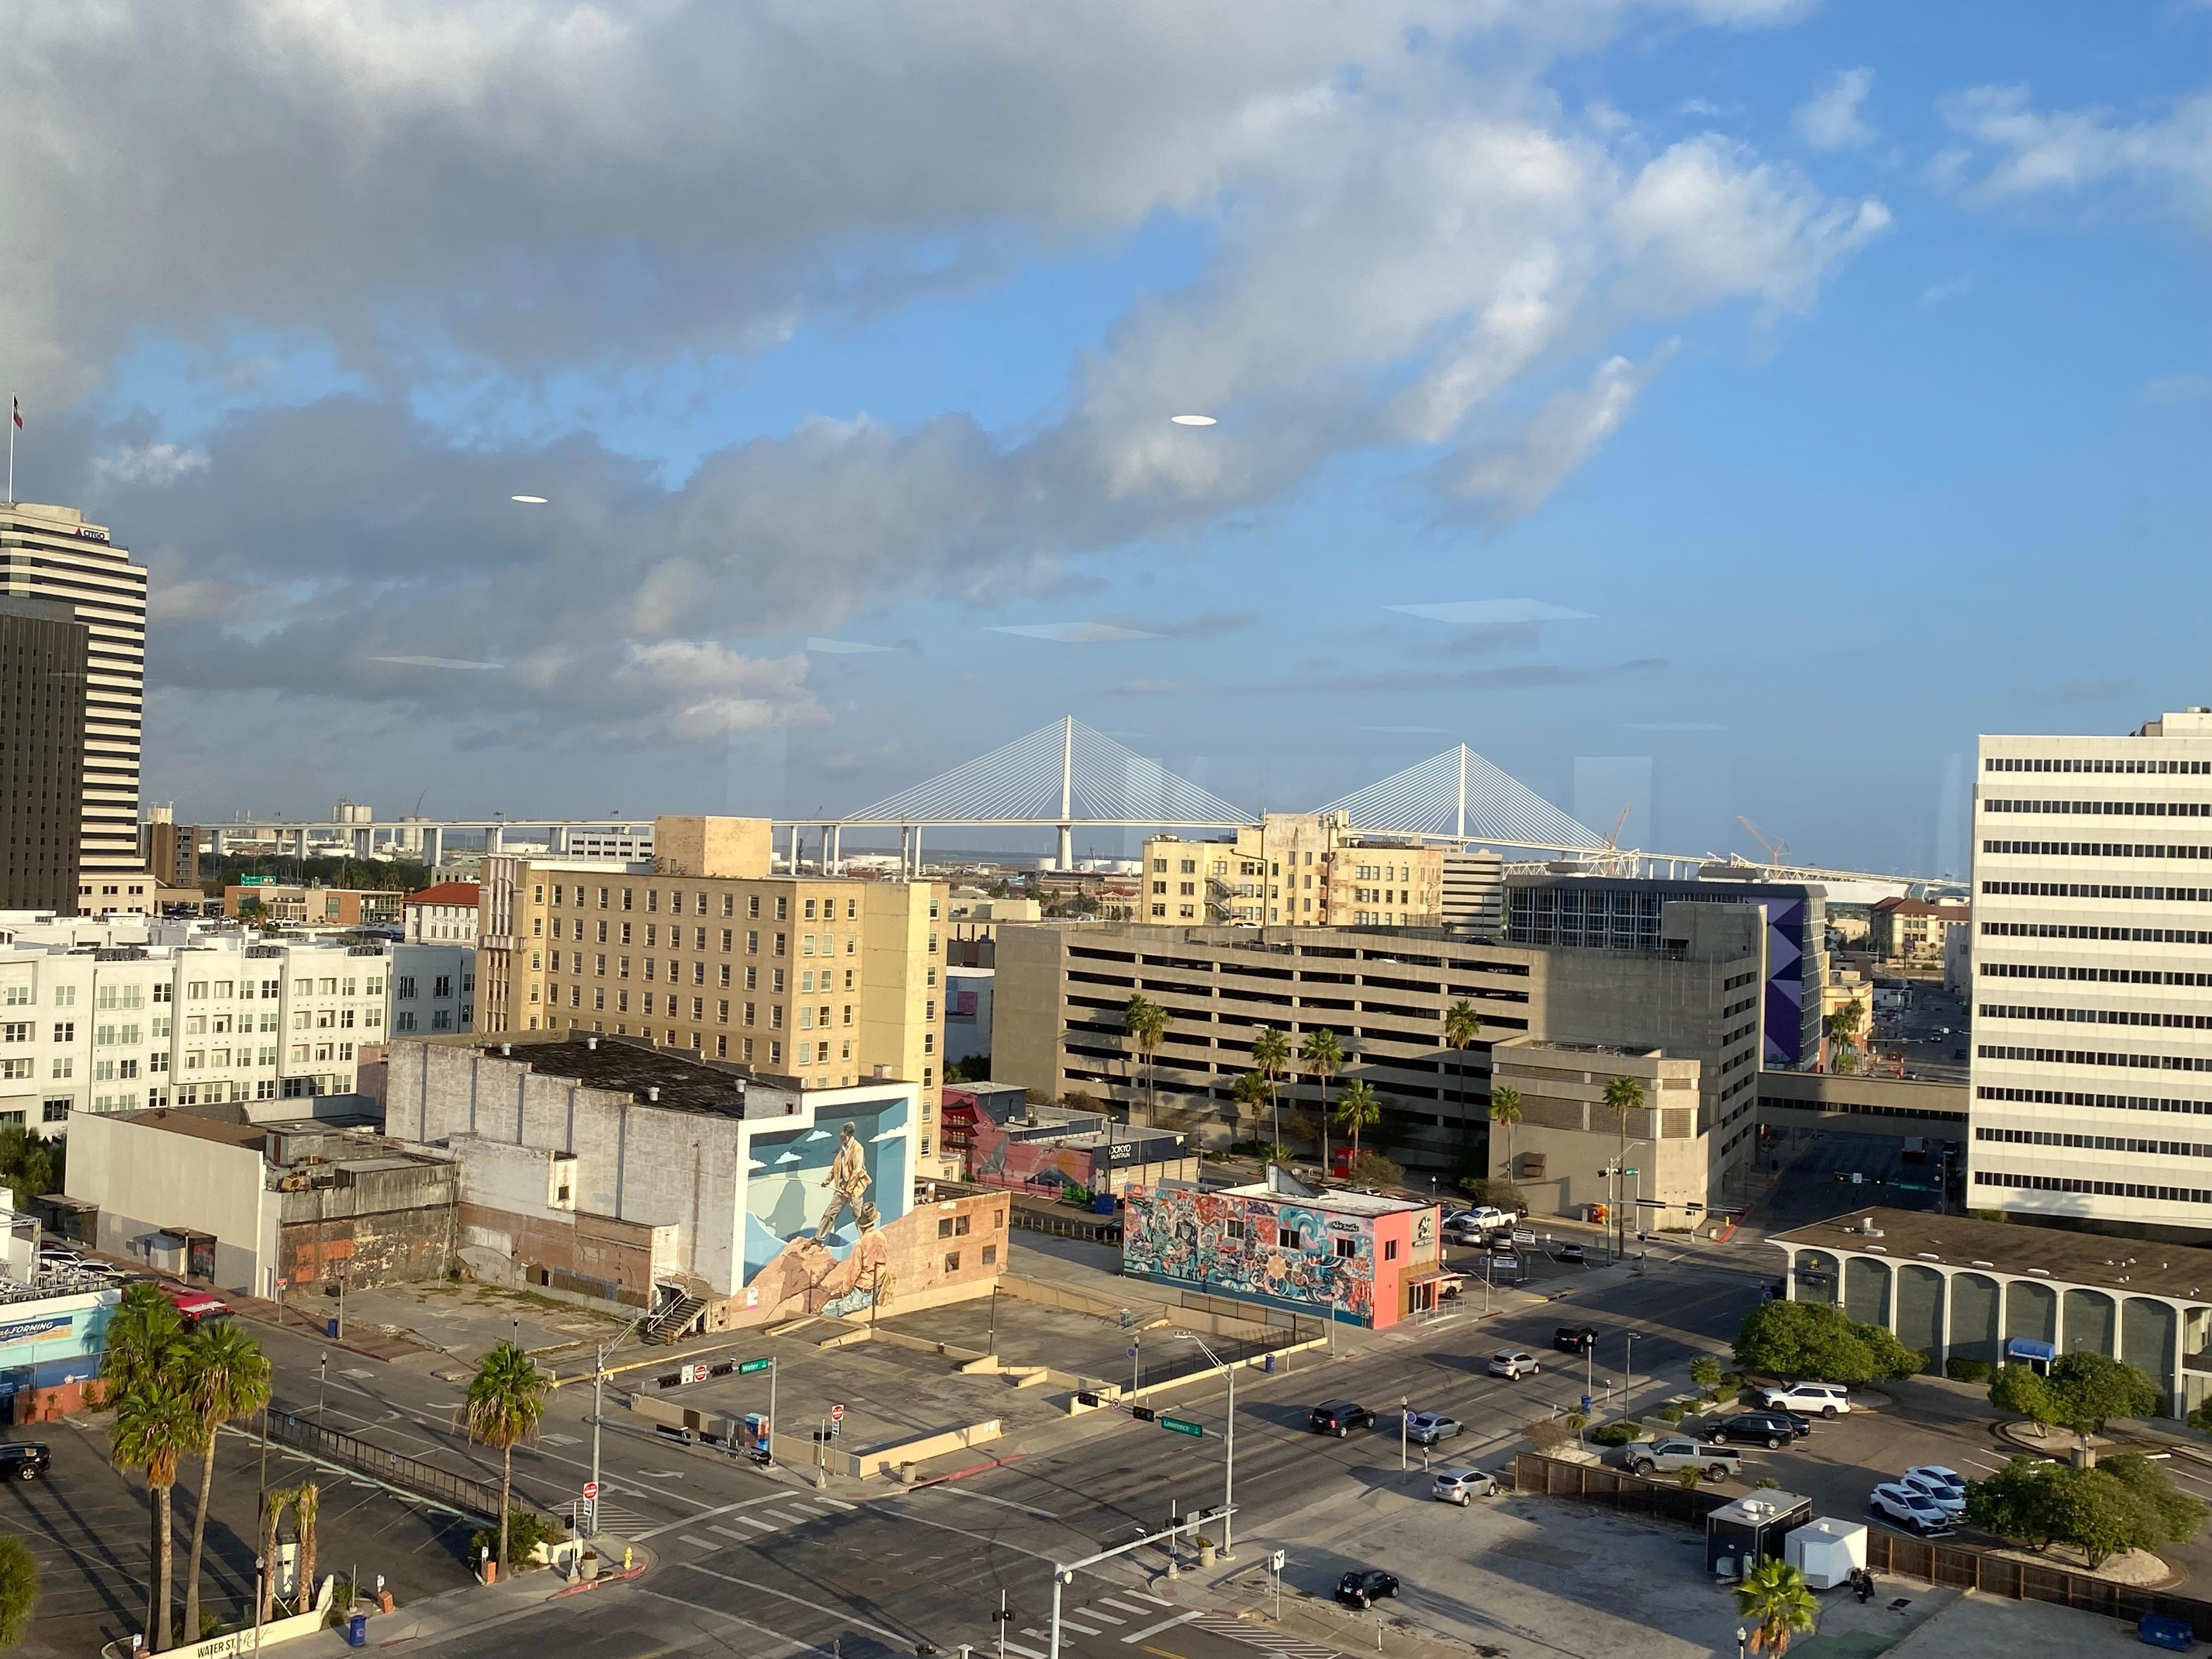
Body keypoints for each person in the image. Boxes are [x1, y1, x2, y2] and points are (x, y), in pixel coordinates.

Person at [812, 1121, 872, 1242]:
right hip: (842, 1188)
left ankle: (866, 1240)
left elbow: (857, 1171)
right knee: (830, 1213)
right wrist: (827, 1181)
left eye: (842, 1132)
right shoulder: (843, 1148)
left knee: (859, 1216)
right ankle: (819, 1239)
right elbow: (836, 1167)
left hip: (855, 1188)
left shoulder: (858, 1148)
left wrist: (849, 1190)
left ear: (846, 1133)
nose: (840, 1134)